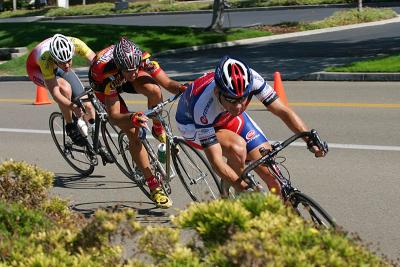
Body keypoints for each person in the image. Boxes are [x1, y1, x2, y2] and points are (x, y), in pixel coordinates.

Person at [175, 55, 328, 195]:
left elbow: (283, 111)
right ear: (217, 92)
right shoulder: (203, 106)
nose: (239, 107)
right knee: (237, 148)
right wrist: (243, 188)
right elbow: (215, 162)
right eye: (232, 100)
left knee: (273, 175)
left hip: (224, 115)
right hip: (192, 125)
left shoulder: (253, 79)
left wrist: (309, 139)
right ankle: (234, 192)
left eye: (243, 99)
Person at [89, 37, 186, 208]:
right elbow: (114, 116)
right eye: (129, 71)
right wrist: (131, 119)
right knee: (133, 131)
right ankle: (153, 185)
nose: (133, 74)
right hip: (104, 84)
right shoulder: (105, 74)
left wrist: (185, 89)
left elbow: (168, 83)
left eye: (136, 69)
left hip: (123, 71)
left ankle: (157, 129)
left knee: (154, 90)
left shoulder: (142, 60)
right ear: (119, 67)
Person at [26, 34, 96, 147]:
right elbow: (56, 94)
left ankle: (95, 138)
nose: (67, 65)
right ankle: (70, 126)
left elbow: (97, 62)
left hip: (56, 65)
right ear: (54, 59)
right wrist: (73, 106)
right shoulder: (45, 59)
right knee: (65, 88)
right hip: (36, 69)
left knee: (87, 104)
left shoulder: (76, 44)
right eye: (63, 62)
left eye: (69, 61)